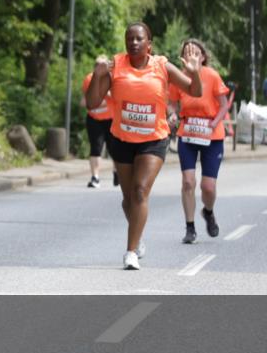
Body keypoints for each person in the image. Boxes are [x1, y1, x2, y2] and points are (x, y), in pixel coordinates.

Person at [86, 22, 202, 270]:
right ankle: (138, 238)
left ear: (149, 43)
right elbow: (93, 103)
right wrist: (97, 76)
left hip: (154, 139)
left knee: (140, 191)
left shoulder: (161, 65)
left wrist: (195, 71)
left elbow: (194, 90)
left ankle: (130, 252)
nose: (134, 43)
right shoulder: (116, 66)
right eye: (129, 39)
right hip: (122, 140)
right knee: (128, 200)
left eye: (139, 39)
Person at [167, 39, 230, 244]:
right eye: (186, 52)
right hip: (188, 132)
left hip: (211, 134)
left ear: (202, 56)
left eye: (194, 52)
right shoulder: (179, 76)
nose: (190, 55)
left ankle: (208, 212)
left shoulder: (211, 75)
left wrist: (214, 123)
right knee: (188, 182)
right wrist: (173, 114)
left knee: (208, 187)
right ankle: (190, 227)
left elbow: (223, 105)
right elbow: (171, 102)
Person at [80, 69, 117, 188]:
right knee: (95, 148)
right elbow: (84, 101)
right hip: (94, 119)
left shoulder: (113, 78)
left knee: (114, 149)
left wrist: (105, 93)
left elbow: (119, 97)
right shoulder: (89, 79)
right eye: (97, 65)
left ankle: (117, 172)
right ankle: (95, 177)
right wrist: (91, 101)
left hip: (111, 119)